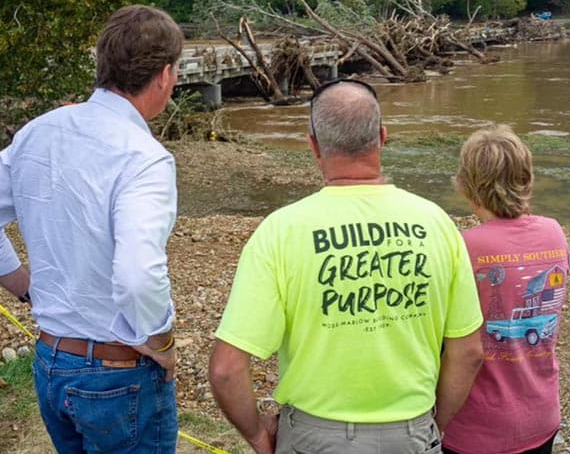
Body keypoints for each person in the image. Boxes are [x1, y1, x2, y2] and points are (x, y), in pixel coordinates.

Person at [0, 4, 184, 453]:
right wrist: (162, 340)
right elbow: (139, 273)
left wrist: (29, 290)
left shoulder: (39, 131)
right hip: (120, 372)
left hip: (52, 360)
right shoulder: (145, 157)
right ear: (165, 75)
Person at [208, 78, 485, 454]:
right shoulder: (437, 224)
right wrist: (432, 426)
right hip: (411, 432)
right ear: (383, 138)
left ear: (313, 145)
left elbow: (226, 370)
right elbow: (468, 353)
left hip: (312, 438)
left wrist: (259, 435)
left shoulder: (281, 230)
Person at [441, 125, 570, 454]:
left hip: (477, 428)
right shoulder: (554, 234)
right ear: (527, 177)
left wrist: (436, 421)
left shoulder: (464, 247)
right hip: (541, 416)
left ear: (467, 185)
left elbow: (462, 350)